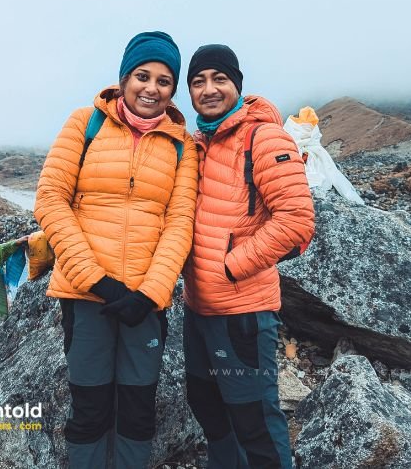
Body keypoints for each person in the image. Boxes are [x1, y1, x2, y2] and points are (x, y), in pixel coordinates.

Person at [34, 31, 198, 469]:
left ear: (172, 90)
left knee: (138, 406)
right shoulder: (84, 123)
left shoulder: (183, 145)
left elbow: (180, 221)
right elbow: (51, 199)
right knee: (89, 406)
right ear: (124, 78)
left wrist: (151, 292)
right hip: (88, 296)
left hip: (146, 301)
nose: (151, 88)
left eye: (164, 81)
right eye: (142, 76)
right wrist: (98, 281)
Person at [182, 44, 315, 469]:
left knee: (253, 417)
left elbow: (296, 221)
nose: (209, 89)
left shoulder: (264, 136)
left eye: (219, 78)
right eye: (199, 81)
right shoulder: (198, 140)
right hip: (197, 310)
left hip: (242, 311)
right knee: (209, 408)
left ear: (237, 84)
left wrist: (230, 266)